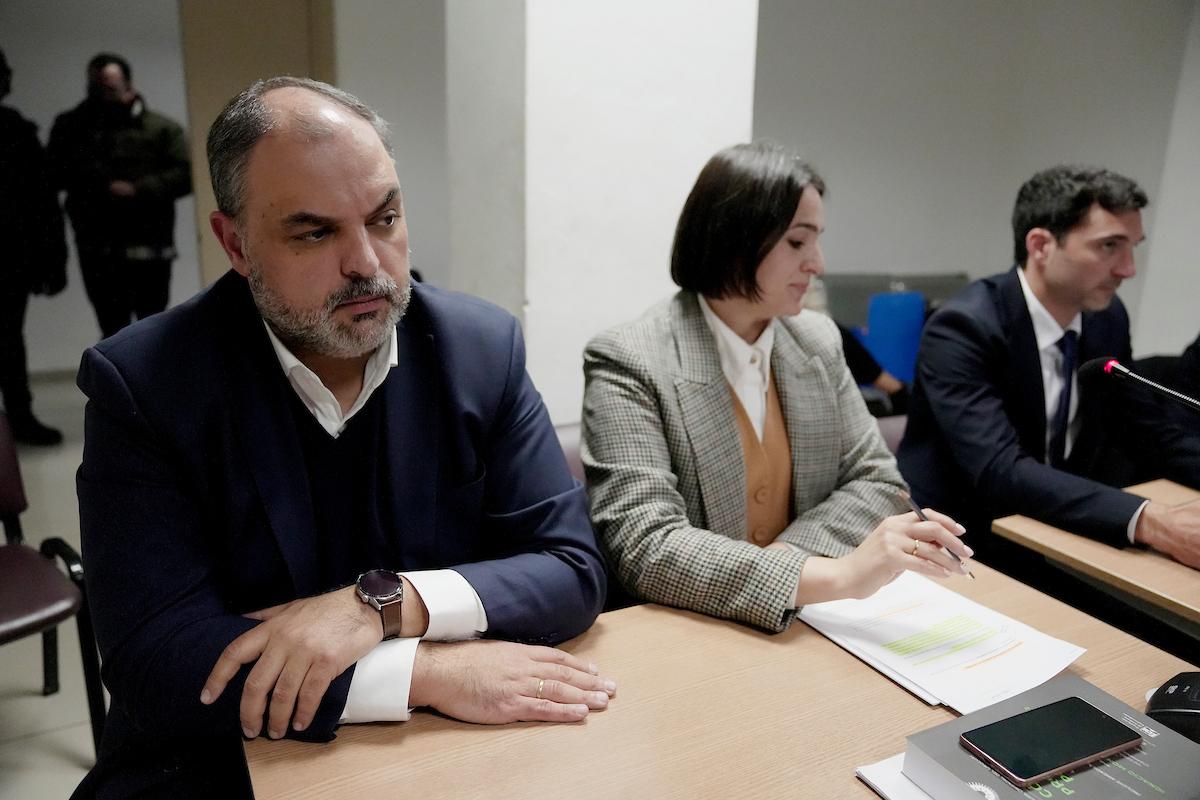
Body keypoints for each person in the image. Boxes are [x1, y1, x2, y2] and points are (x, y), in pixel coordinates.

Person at [73, 77, 610, 799]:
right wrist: (421, 672)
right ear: (234, 242)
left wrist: (380, 607)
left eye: (384, 217)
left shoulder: (479, 350)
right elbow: (157, 655)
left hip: (445, 759)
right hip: (226, 763)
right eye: (315, 232)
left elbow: (570, 568)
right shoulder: (145, 384)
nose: (365, 262)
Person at [581, 141, 970, 633]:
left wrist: (788, 566)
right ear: (733, 237)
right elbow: (645, 544)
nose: (819, 263)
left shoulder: (817, 339)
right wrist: (836, 573)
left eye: (817, 240)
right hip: (684, 633)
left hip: (805, 624)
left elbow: (877, 480)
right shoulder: (630, 358)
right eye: (797, 242)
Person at [898, 165, 1200, 570]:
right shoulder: (963, 327)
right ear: (1041, 245)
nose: (1128, 269)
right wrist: (1150, 520)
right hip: (961, 542)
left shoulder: (1107, 318)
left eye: (1132, 248)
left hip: (1055, 527)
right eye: (1110, 246)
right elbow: (999, 470)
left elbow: (1141, 426)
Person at [48, 53, 191, 339]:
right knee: (112, 327)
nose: (104, 97)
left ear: (128, 86)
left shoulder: (161, 129)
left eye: (110, 89)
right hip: (98, 245)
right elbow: (54, 173)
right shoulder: (72, 128)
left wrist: (138, 189)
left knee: (152, 325)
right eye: (97, 89)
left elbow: (185, 176)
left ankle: (152, 383)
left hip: (150, 241)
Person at [0, 48, 68, 444]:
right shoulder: (15, 131)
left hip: (9, 258)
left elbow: (40, 202)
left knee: (9, 341)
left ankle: (21, 418)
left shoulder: (15, 131)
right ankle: (20, 419)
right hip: (11, 256)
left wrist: (50, 260)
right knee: (9, 341)